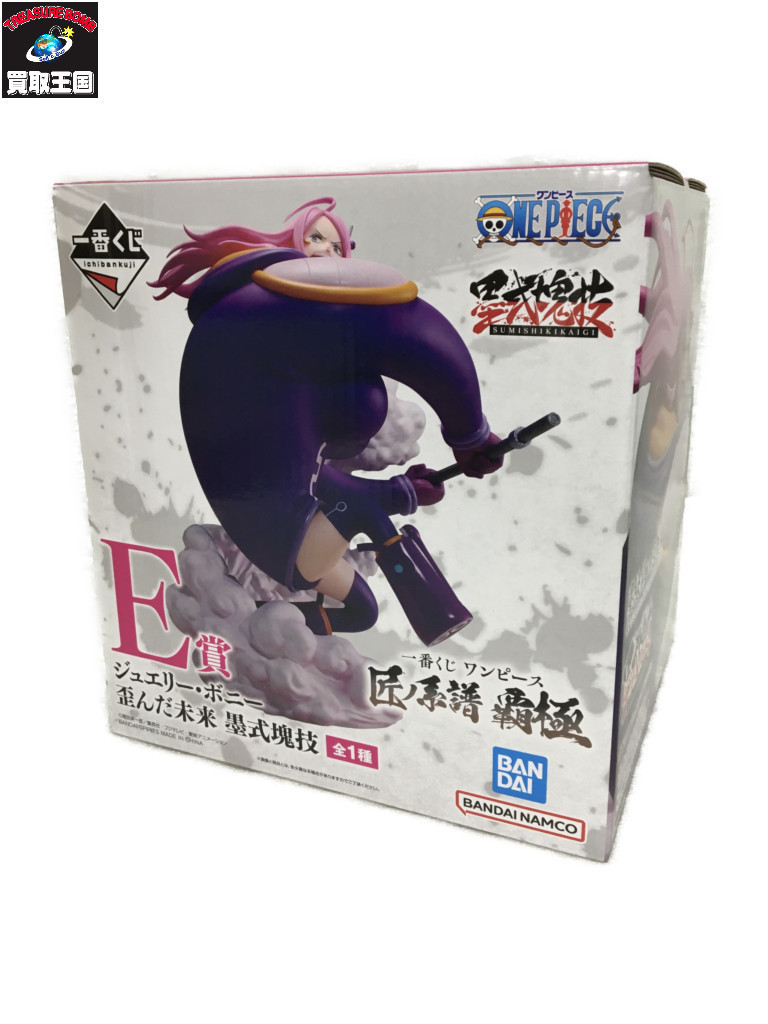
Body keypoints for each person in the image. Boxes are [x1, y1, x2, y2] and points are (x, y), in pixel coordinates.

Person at [149, 198, 504, 646]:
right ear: (290, 242)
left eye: (339, 246)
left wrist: (409, 486)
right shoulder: (273, 306)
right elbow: (408, 332)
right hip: (288, 539)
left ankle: (252, 622)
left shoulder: (260, 337)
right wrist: (467, 436)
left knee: (363, 611)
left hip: (277, 532)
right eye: (315, 237)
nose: (327, 252)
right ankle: (436, 609)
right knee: (364, 515)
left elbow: (306, 476)